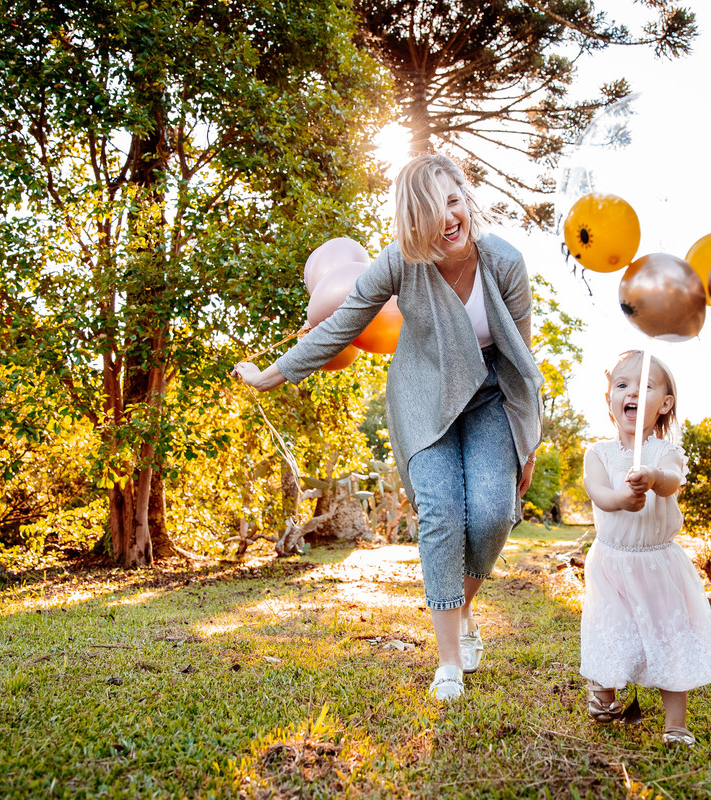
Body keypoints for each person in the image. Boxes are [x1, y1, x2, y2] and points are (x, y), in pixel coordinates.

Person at [232, 154, 543, 701]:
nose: (449, 218)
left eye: (454, 200)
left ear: (466, 199)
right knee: (442, 512)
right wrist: (268, 377)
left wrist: (529, 439)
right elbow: (340, 325)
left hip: (492, 397)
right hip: (424, 399)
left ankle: (461, 607)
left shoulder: (505, 262)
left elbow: (522, 354)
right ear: (411, 220)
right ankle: (449, 661)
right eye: (432, 209)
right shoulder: (399, 263)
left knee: (495, 513)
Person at [579, 350, 711, 745]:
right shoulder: (598, 453)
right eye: (622, 385)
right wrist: (621, 499)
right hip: (610, 559)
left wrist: (653, 476)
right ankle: (604, 696)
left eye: (645, 385)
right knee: (610, 627)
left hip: (656, 562)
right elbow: (598, 492)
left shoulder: (665, 452)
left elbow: (672, 481)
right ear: (609, 399)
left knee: (668, 635)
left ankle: (676, 724)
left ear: (665, 404)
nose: (632, 392)